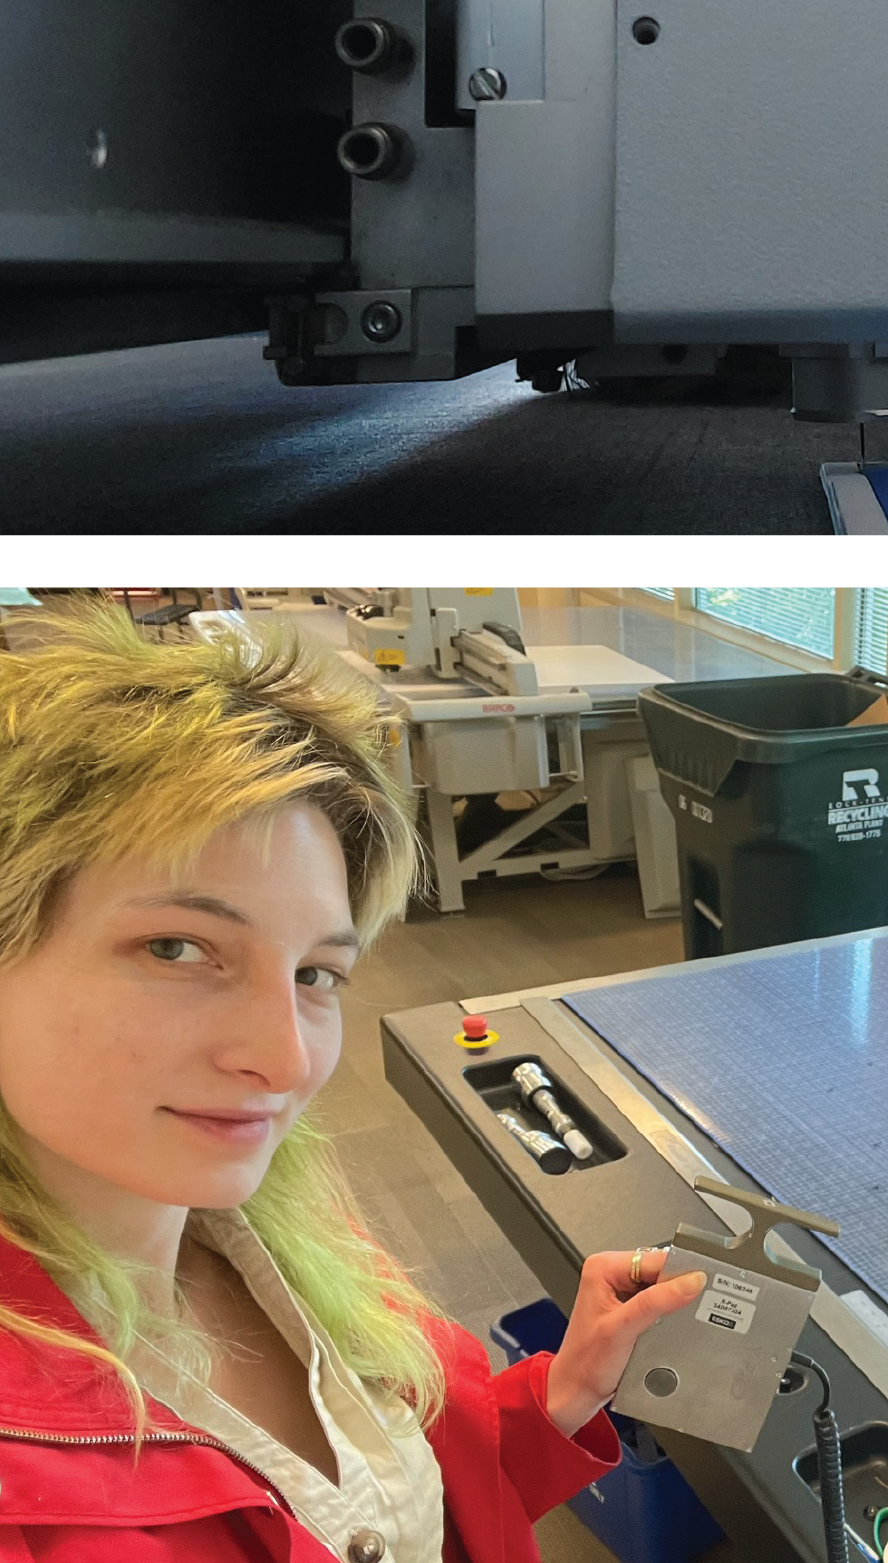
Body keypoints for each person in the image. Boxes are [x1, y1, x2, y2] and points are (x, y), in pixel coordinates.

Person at [0, 601, 705, 1563]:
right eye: (178, 947)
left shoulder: (283, 1233)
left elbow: (398, 1504)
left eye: (314, 974)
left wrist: (561, 1393)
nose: (286, 1062)